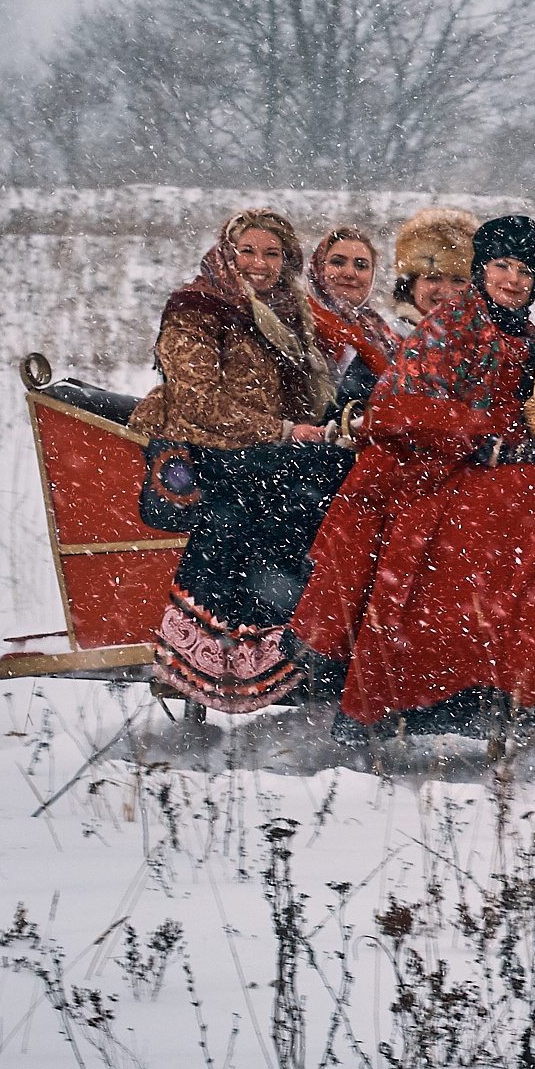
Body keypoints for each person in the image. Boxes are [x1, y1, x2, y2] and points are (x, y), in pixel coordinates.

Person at [292, 216, 535, 741]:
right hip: (428, 468)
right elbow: (398, 410)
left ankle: (528, 644)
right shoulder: (453, 322)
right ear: (482, 270)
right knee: (478, 528)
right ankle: (439, 681)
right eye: (501, 266)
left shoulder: (527, 334)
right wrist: (480, 435)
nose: (513, 279)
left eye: (525, 271)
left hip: (494, 462)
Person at [129, 209, 355, 712]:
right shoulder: (196, 306)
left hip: (261, 448)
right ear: (226, 253)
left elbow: (301, 403)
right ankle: (260, 632)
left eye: (272, 253)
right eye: (247, 251)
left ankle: (320, 624)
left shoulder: (284, 312)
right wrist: (282, 432)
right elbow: (197, 399)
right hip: (204, 446)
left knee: (338, 471)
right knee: (303, 483)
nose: (260, 262)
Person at [305, 225, 397, 402]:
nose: (349, 273)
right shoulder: (299, 320)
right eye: (337, 262)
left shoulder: (379, 331)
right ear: (319, 268)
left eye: (361, 266)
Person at [390, 206, 478, 331]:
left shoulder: (489, 339)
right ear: (410, 285)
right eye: (433, 278)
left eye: (458, 280)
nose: (447, 291)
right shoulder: (391, 339)